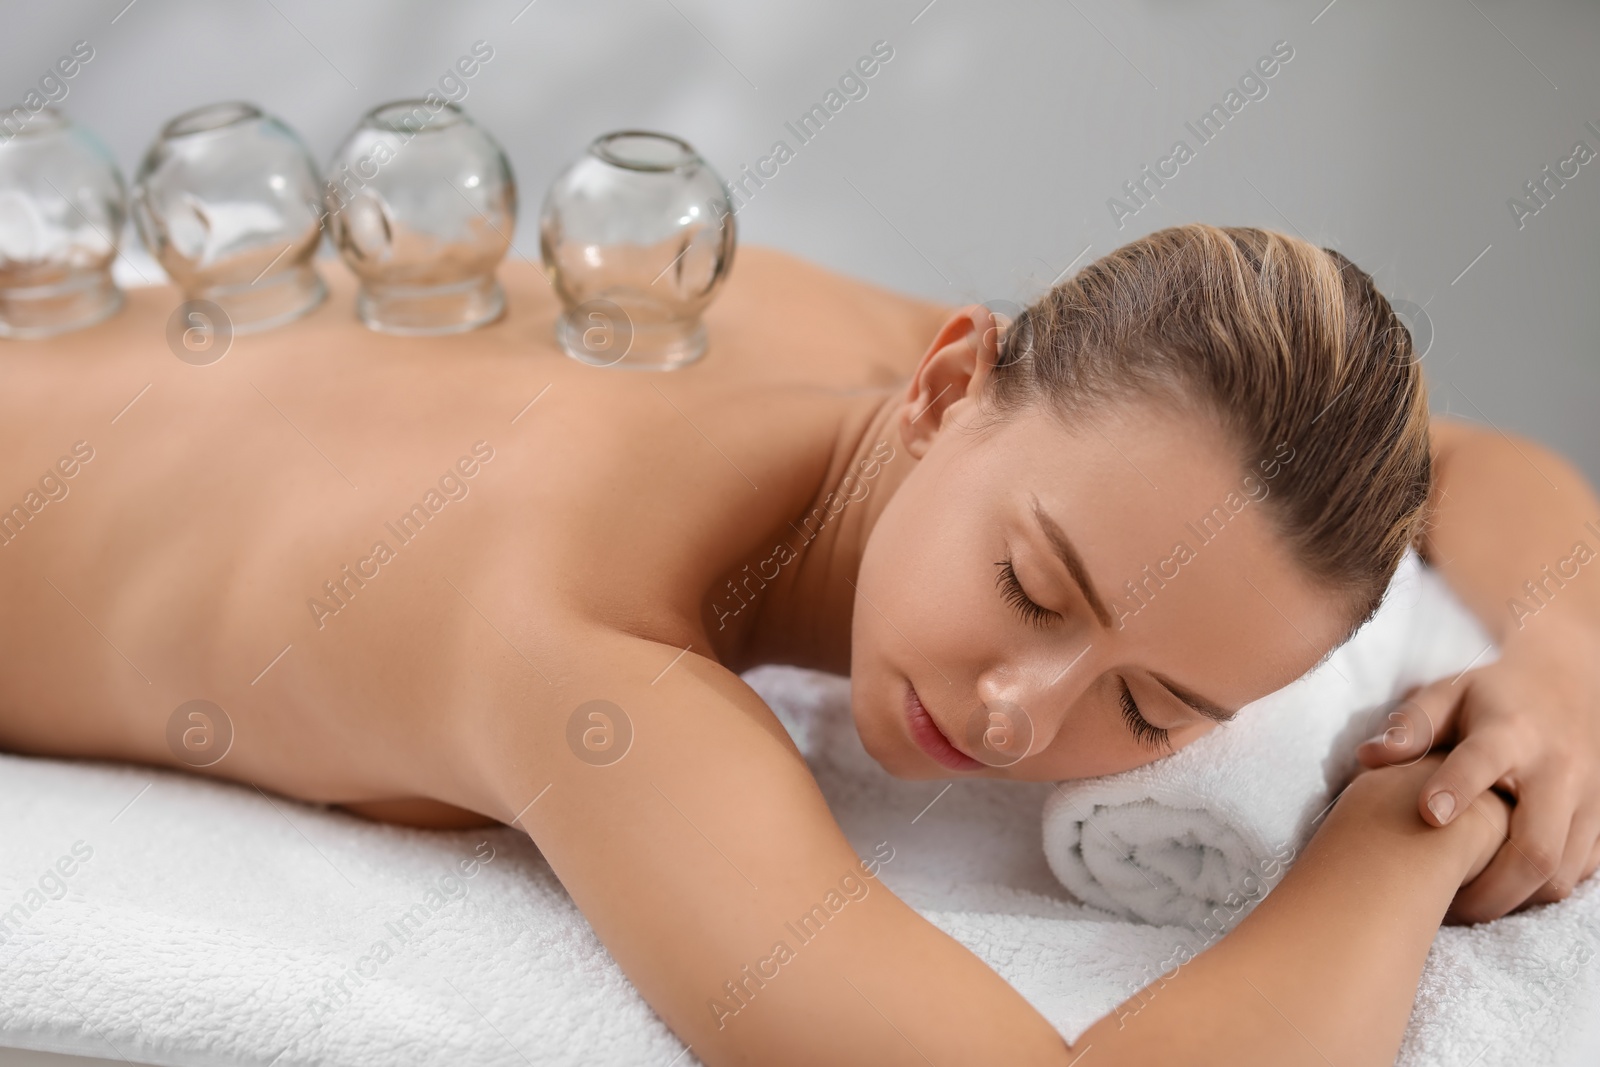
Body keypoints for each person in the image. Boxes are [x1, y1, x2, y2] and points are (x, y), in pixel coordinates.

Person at [0, 223, 1595, 1064]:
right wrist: (1406, 832)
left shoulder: (939, 377)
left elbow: (1478, 463)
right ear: (948, 388)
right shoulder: (579, 649)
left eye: (1161, 709)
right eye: (1036, 590)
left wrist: (1563, 663)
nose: (1025, 716)